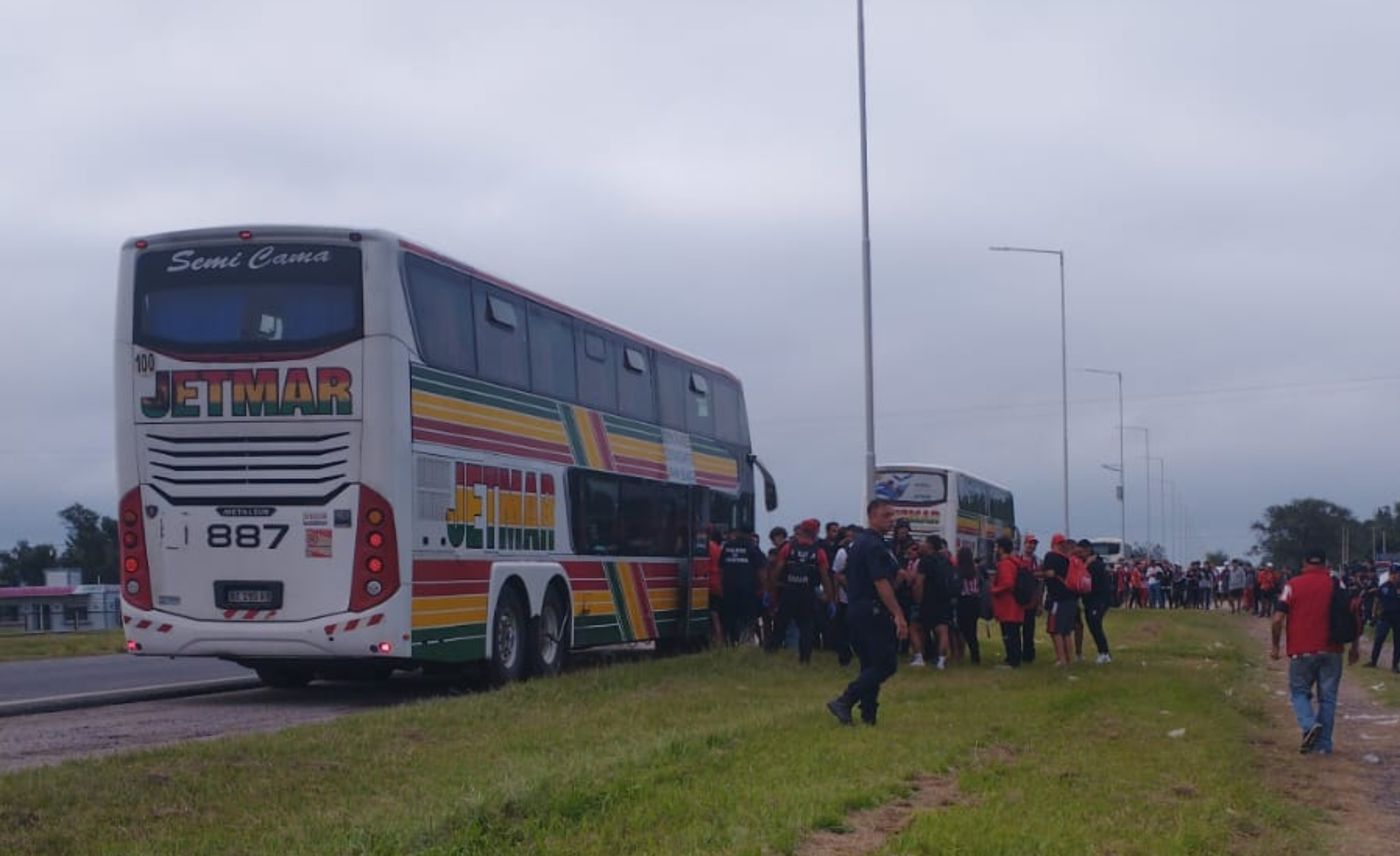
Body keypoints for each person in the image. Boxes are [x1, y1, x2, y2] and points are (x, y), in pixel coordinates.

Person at [1270, 547, 1361, 755]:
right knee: (1327, 699)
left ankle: (1309, 725)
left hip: (1302, 651)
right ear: (1325, 563)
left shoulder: (1292, 584)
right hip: (1332, 649)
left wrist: (1275, 645)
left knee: (1299, 693)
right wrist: (1354, 646)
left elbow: (1277, 619)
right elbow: (1354, 613)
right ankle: (1323, 745)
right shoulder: (1337, 583)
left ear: (1304, 563)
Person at [827, 499, 907, 726]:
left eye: (892, 516)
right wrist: (898, 614)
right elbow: (880, 582)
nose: (890, 520)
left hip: (858, 609)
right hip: (871, 610)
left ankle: (868, 714)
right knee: (885, 664)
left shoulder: (863, 543)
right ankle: (845, 700)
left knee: (870, 664)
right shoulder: (872, 545)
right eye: (885, 516)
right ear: (872, 516)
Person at [767, 519, 834, 664]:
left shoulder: (788, 548)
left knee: (780, 625)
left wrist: (771, 591)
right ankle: (804, 660)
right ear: (815, 532)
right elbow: (825, 576)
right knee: (806, 628)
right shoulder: (818, 552)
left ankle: (770, 655)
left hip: (789, 592)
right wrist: (828, 597)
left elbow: (777, 571)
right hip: (807, 594)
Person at [717, 528, 767, 645]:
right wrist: (765, 588)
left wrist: (721, 586)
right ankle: (745, 642)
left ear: (738, 533)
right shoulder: (752, 548)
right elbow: (761, 570)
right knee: (748, 618)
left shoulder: (727, 547)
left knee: (730, 618)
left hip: (729, 589)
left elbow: (721, 569)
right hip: (748, 590)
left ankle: (730, 643)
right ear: (750, 535)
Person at [915, 536, 956, 669]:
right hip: (944, 600)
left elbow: (920, 582)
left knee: (916, 627)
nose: (922, 544)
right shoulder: (945, 560)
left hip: (928, 599)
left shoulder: (925, 561)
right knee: (942, 630)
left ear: (930, 546)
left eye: (924, 542)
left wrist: (918, 599)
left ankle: (919, 657)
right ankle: (941, 660)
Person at [1042, 534, 1078, 666]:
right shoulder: (1069, 560)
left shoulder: (1050, 556)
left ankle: (1061, 659)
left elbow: (1049, 573)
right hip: (1071, 598)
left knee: (1056, 630)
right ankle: (1070, 659)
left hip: (1057, 599)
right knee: (1067, 632)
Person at [989, 536, 1025, 667]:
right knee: (1014, 633)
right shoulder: (1016, 562)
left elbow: (1008, 583)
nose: (995, 550)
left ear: (1002, 548)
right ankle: (1013, 658)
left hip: (1008, 605)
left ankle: (1012, 661)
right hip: (1016, 605)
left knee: (1009, 634)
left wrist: (994, 589)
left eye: (997, 547)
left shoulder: (1005, 564)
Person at [1077, 539, 1112, 664]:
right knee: (1092, 626)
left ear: (1087, 550)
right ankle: (1103, 651)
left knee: (1095, 624)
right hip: (1089, 600)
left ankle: (1104, 653)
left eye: (1080, 552)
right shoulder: (1085, 563)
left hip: (1099, 599)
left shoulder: (1096, 564)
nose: (1079, 554)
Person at [953, 543, 984, 665]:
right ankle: (975, 656)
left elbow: (956, 587)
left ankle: (962, 654)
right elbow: (982, 584)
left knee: (961, 629)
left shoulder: (959, 571)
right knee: (972, 630)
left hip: (963, 601)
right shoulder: (976, 570)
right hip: (975, 601)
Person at [1367, 565, 1400, 672]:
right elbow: (1377, 601)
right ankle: (1373, 661)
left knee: (1398, 642)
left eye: (1396, 574)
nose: (1394, 576)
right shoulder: (1384, 586)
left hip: (1398, 617)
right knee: (1379, 638)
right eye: (1392, 574)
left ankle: (1395, 665)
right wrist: (1373, 615)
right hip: (1385, 616)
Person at [1019, 534, 1044, 663]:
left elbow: (1040, 584)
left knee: (1029, 630)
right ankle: (1017, 652)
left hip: (1032, 600)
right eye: (1030, 543)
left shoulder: (1038, 562)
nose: (1032, 546)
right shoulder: (1017, 560)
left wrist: (1040, 603)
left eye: (1034, 544)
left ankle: (1028, 655)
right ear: (1024, 544)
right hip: (1018, 601)